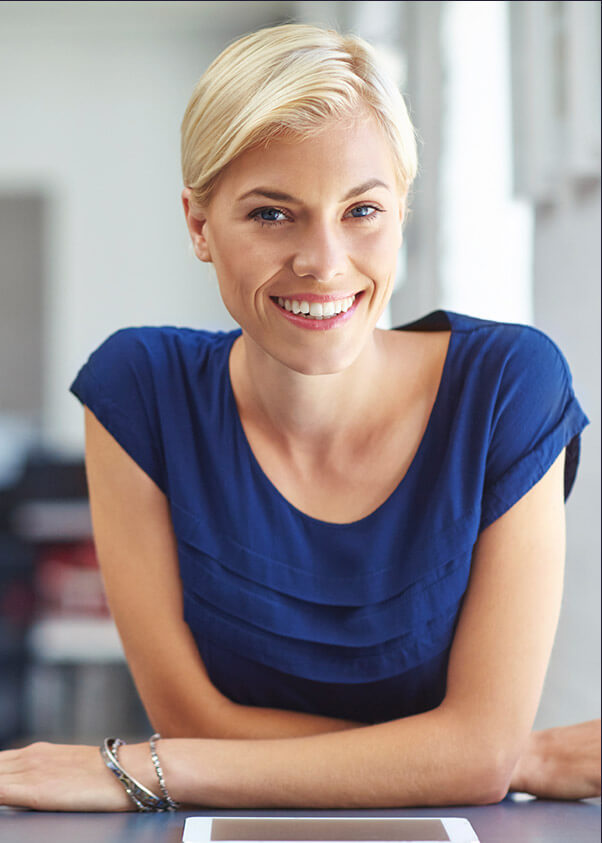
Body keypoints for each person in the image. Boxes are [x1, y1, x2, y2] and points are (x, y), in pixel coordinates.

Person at [1, 23, 600, 812]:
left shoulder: (508, 388)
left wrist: (137, 766)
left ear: (402, 215)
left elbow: (475, 751)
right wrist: (490, 756)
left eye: (362, 210)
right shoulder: (139, 389)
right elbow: (192, 721)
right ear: (197, 225)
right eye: (272, 214)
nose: (324, 260)